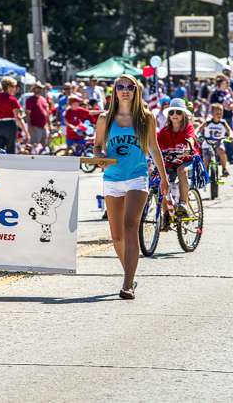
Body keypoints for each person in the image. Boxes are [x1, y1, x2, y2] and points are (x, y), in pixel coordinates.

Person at [94, 74, 168, 300]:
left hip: (137, 177)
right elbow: (97, 146)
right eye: (120, 86)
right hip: (112, 178)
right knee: (116, 236)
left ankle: (127, 284)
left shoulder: (146, 118)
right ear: (114, 91)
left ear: (137, 91)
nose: (125, 90)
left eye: (130, 86)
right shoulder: (105, 118)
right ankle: (130, 273)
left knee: (130, 226)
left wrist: (164, 178)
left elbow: (154, 148)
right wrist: (99, 157)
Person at [157, 98, 200, 213]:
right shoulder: (164, 131)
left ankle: (183, 203)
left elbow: (190, 139)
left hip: (187, 160)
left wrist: (188, 148)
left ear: (184, 115)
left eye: (178, 112)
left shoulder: (188, 127)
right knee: (158, 176)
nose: (174, 115)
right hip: (170, 162)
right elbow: (154, 143)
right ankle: (165, 212)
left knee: (182, 171)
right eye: (171, 112)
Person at [0, 76, 28, 153]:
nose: (15, 89)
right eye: (14, 86)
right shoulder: (12, 99)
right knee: (11, 150)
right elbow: (18, 117)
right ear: (9, 87)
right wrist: (26, 132)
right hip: (9, 125)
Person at [199, 103, 232, 177]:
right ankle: (205, 171)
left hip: (218, 142)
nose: (219, 114)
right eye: (217, 113)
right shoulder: (208, 122)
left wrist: (230, 136)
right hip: (207, 143)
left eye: (221, 112)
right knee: (206, 159)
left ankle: (224, 169)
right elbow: (199, 128)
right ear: (212, 114)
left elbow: (229, 130)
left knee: (222, 150)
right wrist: (196, 134)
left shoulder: (223, 122)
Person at [26, 82, 50, 149]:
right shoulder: (30, 100)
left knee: (44, 147)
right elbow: (28, 114)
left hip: (44, 127)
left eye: (40, 88)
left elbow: (47, 113)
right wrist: (29, 126)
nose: (39, 90)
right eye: (37, 88)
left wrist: (49, 125)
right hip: (35, 127)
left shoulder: (43, 99)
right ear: (33, 89)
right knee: (34, 147)